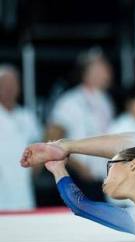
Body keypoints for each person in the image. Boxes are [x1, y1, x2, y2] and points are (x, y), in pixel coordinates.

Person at [45, 48, 114, 200]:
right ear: (88, 71)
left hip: (103, 181)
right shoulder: (70, 100)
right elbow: (51, 140)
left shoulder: (106, 101)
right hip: (79, 179)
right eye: (102, 67)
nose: (108, 71)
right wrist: (77, 166)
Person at [0, 65, 42, 210]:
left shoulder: (27, 117)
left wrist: (36, 167)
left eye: (12, 84)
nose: (9, 88)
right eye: (4, 84)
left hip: (24, 194)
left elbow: (39, 147)